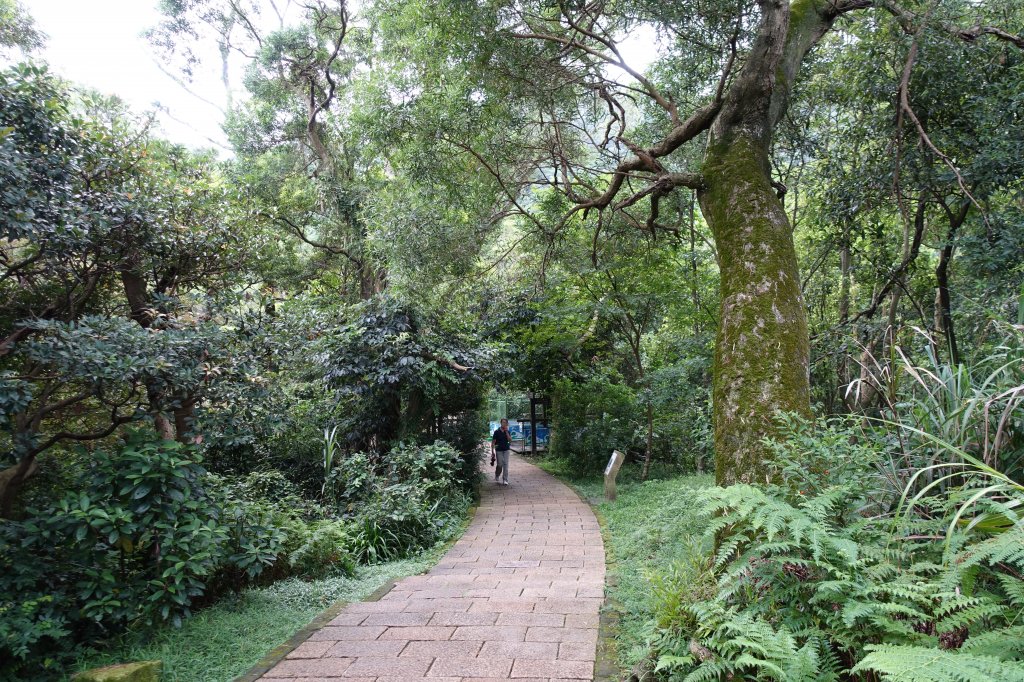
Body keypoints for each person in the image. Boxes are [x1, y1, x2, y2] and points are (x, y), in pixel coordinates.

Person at [491, 418, 511, 486]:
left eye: (505, 423)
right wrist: (492, 452)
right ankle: (497, 474)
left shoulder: (508, 431)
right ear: (501, 423)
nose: (504, 424)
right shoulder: (496, 431)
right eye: (503, 422)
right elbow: (493, 442)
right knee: (499, 464)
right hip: (498, 450)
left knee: (505, 464)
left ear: (507, 424)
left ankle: (505, 479)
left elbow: (510, 440)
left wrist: (506, 432)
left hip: (506, 450)